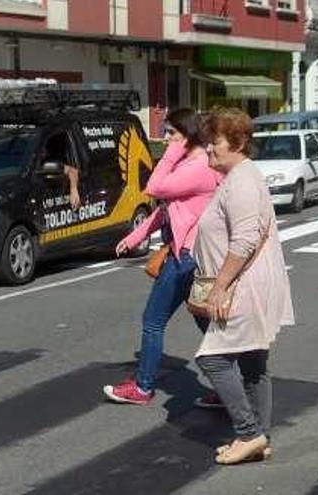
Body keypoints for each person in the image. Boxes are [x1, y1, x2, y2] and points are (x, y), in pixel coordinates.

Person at [193, 108, 294, 465]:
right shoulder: (240, 177)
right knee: (253, 362)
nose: (208, 149)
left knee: (214, 358)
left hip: (243, 285)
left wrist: (220, 286)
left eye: (214, 142)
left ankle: (248, 432)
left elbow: (246, 239)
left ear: (237, 142)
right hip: (249, 282)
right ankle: (259, 438)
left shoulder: (242, 181)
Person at [102, 108, 222, 405]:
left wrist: (170, 155)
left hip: (185, 257)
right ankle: (229, 386)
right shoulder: (192, 164)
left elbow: (154, 188)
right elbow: (165, 208)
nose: (165, 137)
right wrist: (135, 237)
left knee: (153, 321)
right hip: (190, 255)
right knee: (205, 323)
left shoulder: (197, 167)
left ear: (188, 136)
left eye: (172, 133)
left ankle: (142, 387)